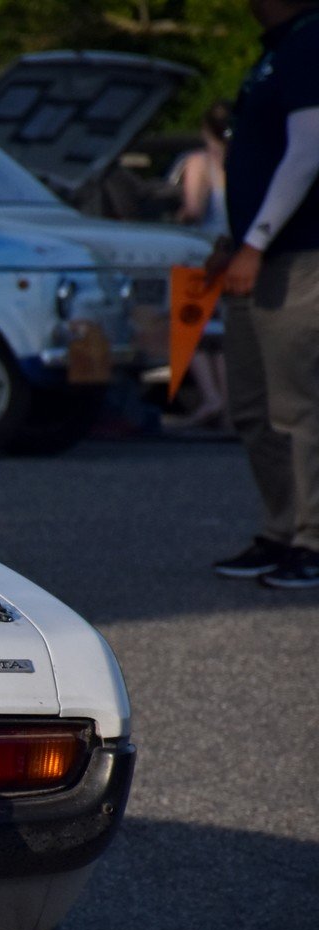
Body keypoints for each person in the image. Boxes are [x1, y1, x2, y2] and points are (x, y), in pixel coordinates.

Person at [211, 0, 319, 589]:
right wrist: (236, 240)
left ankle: (313, 538)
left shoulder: (310, 41)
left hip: (297, 256)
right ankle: (281, 529)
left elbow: (308, 151)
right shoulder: (277, 50)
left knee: (299, 406)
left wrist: (257, 240)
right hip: (257, 255)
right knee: (253, 407)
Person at [175, 102, 233, 431]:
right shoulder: (244, 158)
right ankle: (229, 404)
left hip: (203, 250)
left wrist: (176, 217)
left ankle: (211, 397)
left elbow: (194, 209)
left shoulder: (201, 162)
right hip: (236, 250)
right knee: (224, 332)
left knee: (193, 328)